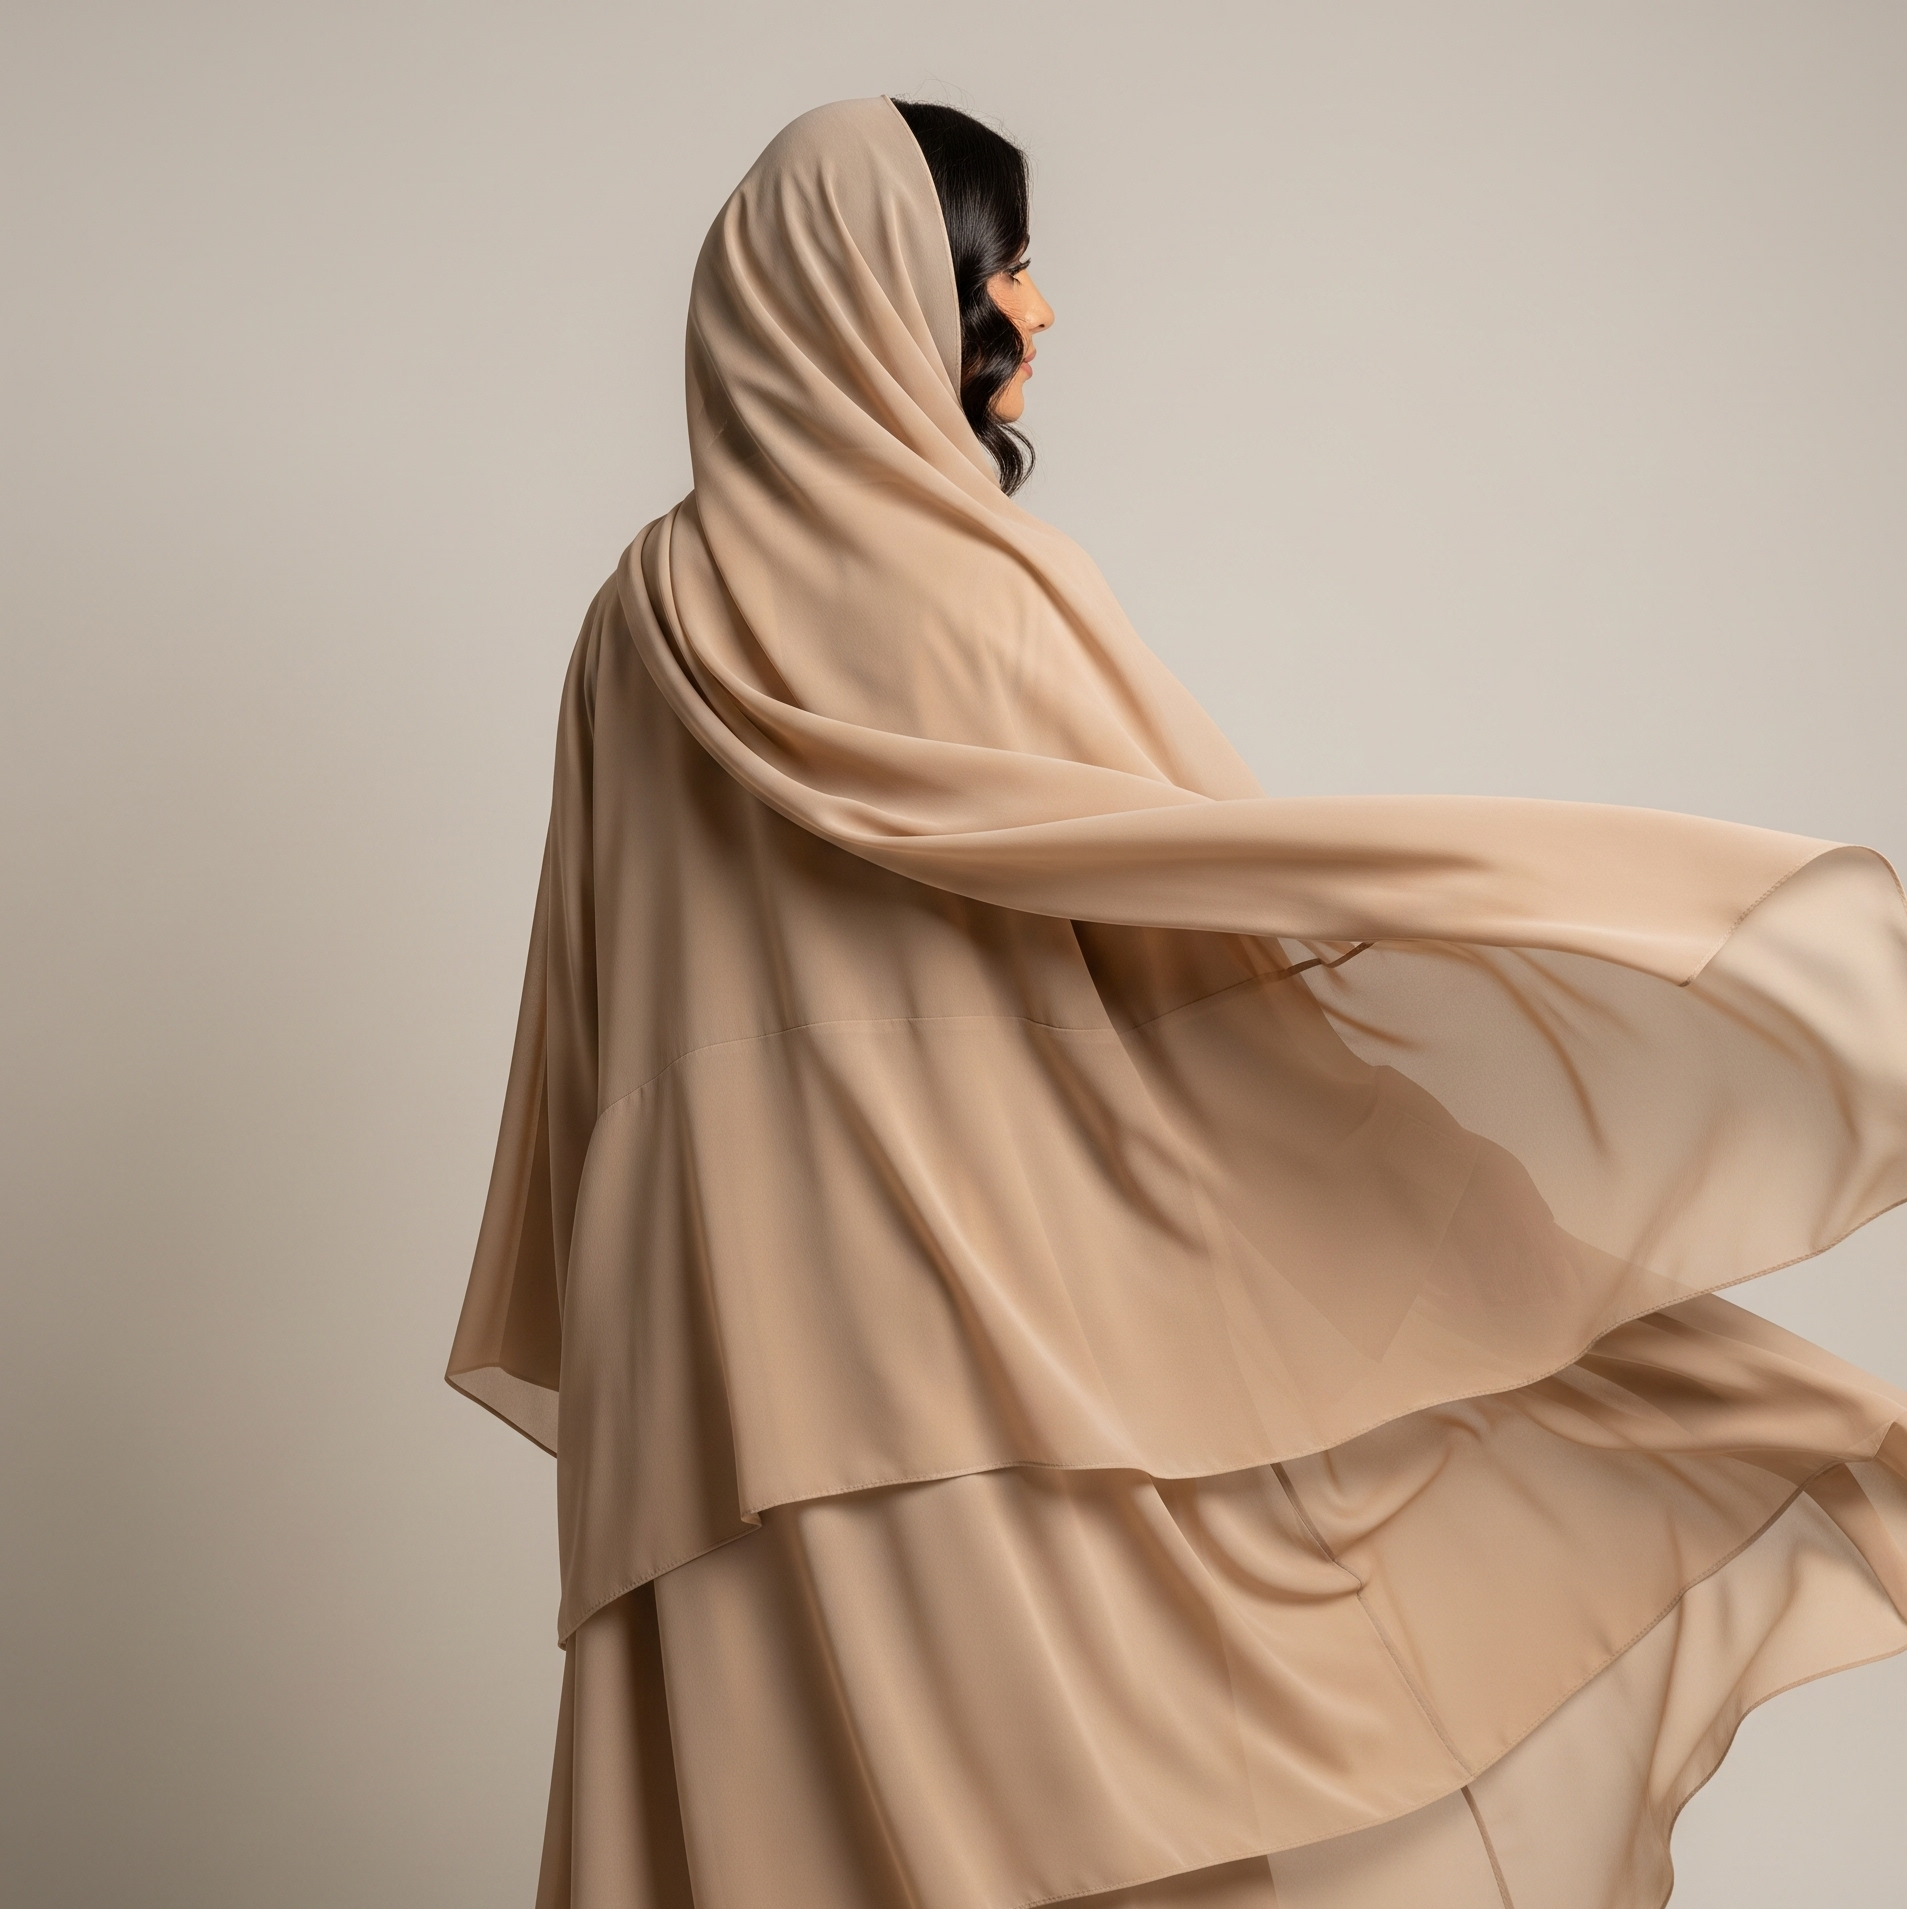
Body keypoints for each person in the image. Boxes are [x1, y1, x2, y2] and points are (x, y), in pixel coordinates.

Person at [448, 97, 1907, 1909]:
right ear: (881, 293)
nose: (1036, 313)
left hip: (712, 1349)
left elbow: (583, 1035)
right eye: (994, 267)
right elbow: (1223, 920)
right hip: (960, 1326)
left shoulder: (629, 622)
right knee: (1070, 1808)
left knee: (764, 1832)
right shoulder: (983, 596)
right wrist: (1550, 1045)